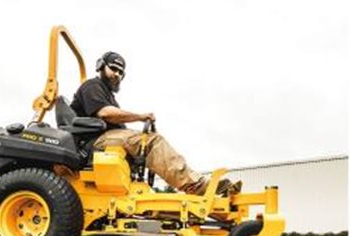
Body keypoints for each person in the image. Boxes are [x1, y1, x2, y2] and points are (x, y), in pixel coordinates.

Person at [70, 51, 241, 196]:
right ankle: (194, 185)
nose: (117, 75)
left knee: (145, 141)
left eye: (121, 72)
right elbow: (105, 113)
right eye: (113, 69)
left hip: (106, 138)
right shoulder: (92, 86)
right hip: (94, 141)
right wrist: (140, 116)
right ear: (100, 66)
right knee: (153, 141)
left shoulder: (108, 95)